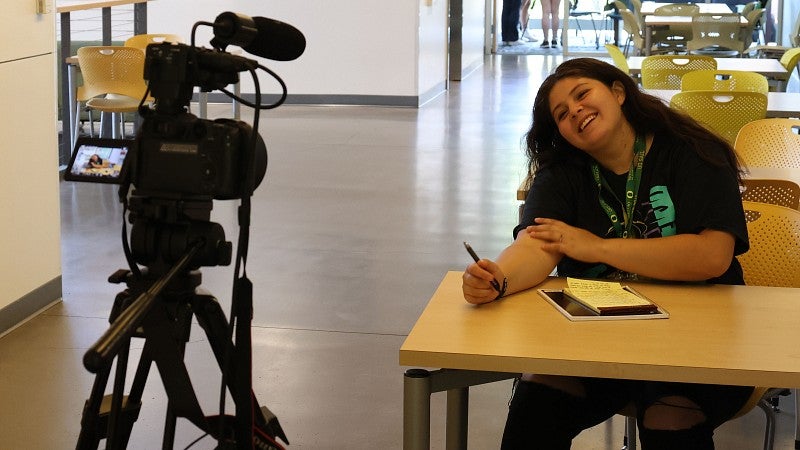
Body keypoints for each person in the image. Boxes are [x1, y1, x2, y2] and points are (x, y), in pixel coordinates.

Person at [461, 58, 753, 449]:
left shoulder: (693, 153)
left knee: (669, 417)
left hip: (700, 344)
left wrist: (595, 246)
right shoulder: (563, 173)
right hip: (601, 342)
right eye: (562, 114)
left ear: (618, 92)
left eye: (582, 94)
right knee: (537, 397)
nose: (576, 111)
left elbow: (712, 256)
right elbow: (536, 245)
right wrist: (498, 278)